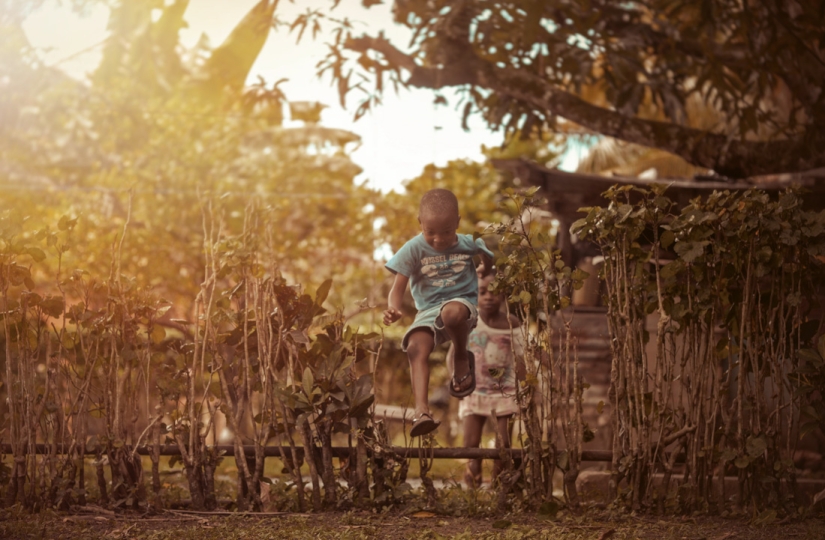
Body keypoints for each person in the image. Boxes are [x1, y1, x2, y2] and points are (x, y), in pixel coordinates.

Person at [383, 188, 494, 437]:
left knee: (451, 313)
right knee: (414, 346)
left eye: (446, 232)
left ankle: (461, 357)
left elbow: (487, 256)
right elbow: (397, 288)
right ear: (420, 224)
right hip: (427, 312)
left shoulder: (468, 242)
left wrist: (484, 270)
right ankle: (421, 411)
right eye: (430, 232)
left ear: (457, 223)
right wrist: (393, 307)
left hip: (461, 304)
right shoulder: (413, 248)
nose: (438, 239)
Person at [447, 271, 525, 487]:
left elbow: (523, 355)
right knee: (471, 444)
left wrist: (526, 386)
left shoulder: (512, 323)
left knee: (503, 443)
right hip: (474, 391)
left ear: (503, 296)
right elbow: (453, 354)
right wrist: (456, 381)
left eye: (495, 292)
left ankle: (498, 488)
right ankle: (472, 487)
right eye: (482, 292)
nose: (489, 297)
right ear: (475, 295)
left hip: (504, 392)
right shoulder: (468, 321)